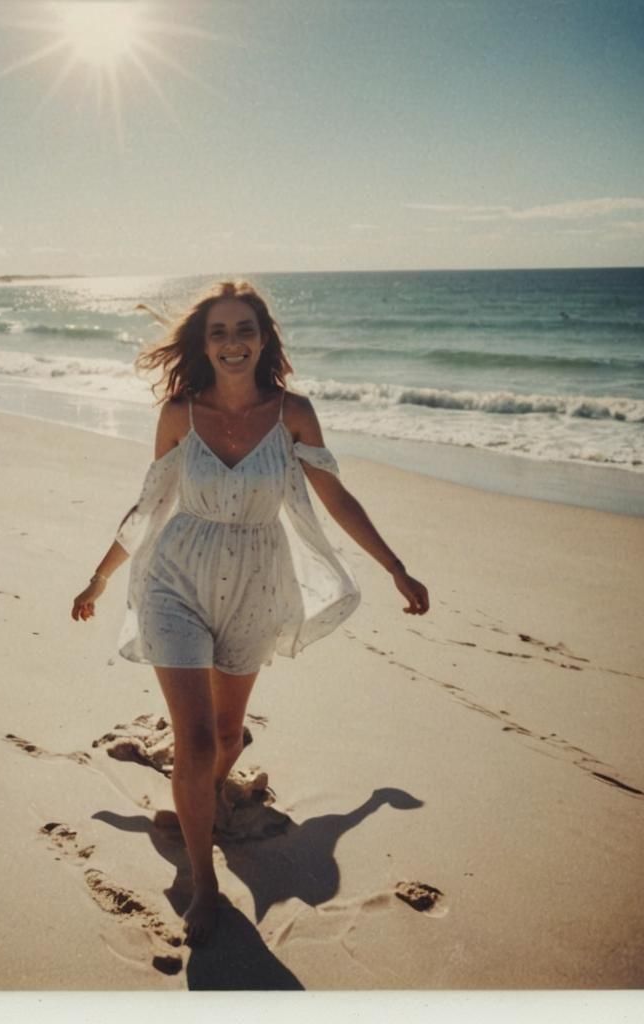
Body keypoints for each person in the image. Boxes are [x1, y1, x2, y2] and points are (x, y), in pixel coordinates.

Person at [71, 281, 429, 944]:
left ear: (263, 339)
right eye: (219, 333)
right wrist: (98, 578)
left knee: (228, 739)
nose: (233, 343)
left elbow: (336, 499)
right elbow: (149, 506)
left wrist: (395, 566)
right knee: (198, 740)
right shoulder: (181, 412)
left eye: (244, 330)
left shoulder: (293, 413)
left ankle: (194, 799)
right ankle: (203, 885)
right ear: (202, 345)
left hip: (257, 584)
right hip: (176, 577)